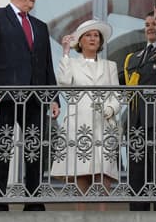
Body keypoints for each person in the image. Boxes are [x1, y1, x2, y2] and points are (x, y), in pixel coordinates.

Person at [0, 0, 59, 211]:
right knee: (0, 147)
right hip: (3, 97)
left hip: (35, 99)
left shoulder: (40, 26)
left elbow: (47, 66)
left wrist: (53, 98)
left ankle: (33, 201)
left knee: (36, 148)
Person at [51, 18, 121, 209]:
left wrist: (110, 109)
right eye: (88, 35)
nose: (93, 39)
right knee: (80, 170)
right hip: (79, 121)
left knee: (103, 171)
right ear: (80, 42)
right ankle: (79, 215)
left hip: (103, 122)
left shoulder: (110, 66)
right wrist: (65, 53)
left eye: (96, 36)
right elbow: (64, 83)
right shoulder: (72, 63)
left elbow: (117, 95)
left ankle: (103, 215)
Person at [121, 7, 156, 211]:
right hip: (136, 121)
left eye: (155, 24)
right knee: (136, 173)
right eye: (147, 25)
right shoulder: (134, 57)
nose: (150, 28)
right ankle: (137, 218)